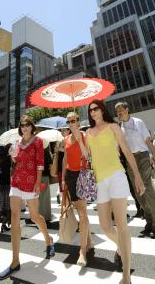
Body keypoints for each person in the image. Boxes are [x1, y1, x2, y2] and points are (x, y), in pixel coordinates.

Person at [86, 100, 145, 284]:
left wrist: (137, 175)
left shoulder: (113, 127)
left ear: (102, 110)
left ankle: (126, 276)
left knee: (121, 225)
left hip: (117, 177)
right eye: (90, 110)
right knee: (104, 226)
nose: (93, 112)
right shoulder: (87, 133)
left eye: (95, 109)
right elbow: (88, 156)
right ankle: (122, 247)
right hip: (99, 181)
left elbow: (126, 151)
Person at [0, 115, 55, 281]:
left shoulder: (38, 141)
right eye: (22, 125)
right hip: (16, 181)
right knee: (15, 218)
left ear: (32, 127)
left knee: (34, 216)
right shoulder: (16, 142)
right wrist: (12, 155)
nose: (24, 128)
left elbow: (40, 163)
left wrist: (38, 182)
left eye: (27, 125)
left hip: (31, 183)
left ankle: (48, 240)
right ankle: (15, 261)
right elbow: (16, 161)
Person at [115, 101, 155, 239]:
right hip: (130, 160)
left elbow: (148, 141)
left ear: (127, 109)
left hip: (142, 156)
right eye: (117, 112)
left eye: (120, 110)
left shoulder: (138, 122)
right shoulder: (119, 127)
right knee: (138, 192)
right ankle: (149, 220)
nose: (119, 113)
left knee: (147, 189)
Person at [61, 112, 93, 267]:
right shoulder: (66, 138)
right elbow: (65, 158)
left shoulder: (85, 135)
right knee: (81, 211)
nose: (70, 123)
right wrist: (62, 179)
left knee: (82, 212)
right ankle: (90, 241)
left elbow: (88, 155)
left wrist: (80, 141)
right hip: (70, 177)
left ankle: (83, 252)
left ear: (79, 122)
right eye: (68, 121)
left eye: (73, 120)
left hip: (82, 174)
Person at [0, 143, 13, 233]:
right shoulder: (9, 158)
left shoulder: (3, 158)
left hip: (3, 185)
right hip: (8, 184)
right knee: (9, 206)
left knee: (6, 206)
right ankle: (4, 224)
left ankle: (6, 224)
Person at [38, 140, 52, 222]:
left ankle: (40, 215)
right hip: (45, 176)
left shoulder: (37, 152)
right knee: (45, 197)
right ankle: (47, 216)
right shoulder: (47, 153)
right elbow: (50, 165)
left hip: (37, 177)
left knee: (38, 197)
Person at [55, 126, 70, 204]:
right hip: (60, 166)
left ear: (68, 131)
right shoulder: (60, 141)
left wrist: (60, 149)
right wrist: (57, 149)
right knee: (62, 185)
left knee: (67, 186)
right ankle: (64, 201)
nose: (62, 132)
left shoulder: (70, 139)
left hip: (68, 166)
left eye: (64, 130)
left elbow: (69, 151)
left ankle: (67, 202)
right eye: (61, 130)